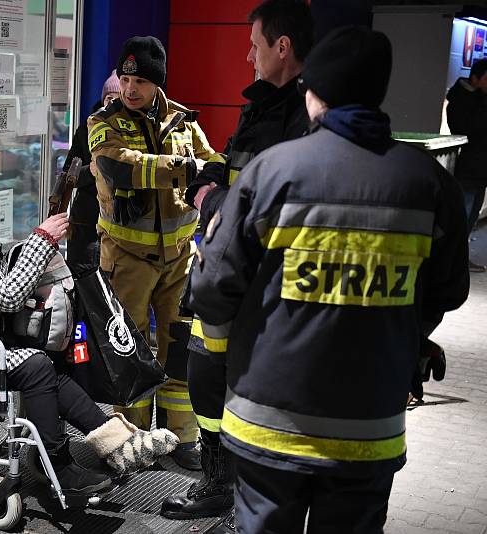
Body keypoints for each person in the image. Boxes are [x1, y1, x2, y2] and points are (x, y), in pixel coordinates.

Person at [188, 27, 469, 534]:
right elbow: (448, 292)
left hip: (271, 424)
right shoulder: (430, 184)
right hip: (371, 428)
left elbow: (212, 289)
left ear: (315, 92)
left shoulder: (274, 172)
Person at [0, 146, 178, 496]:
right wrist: (42, 241)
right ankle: (57, 464)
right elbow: (4, 295)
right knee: (37, 366)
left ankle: (118, 444)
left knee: (50, 358)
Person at [162, 0, 313, 525]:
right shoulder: (262, 107)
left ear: (282, 47)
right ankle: (217, 482)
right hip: (224, 272)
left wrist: (214, 202)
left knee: (252, 395)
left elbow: (273, 203)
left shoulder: (304, 118)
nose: (248, 57)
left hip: (263, 282)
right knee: (206, 374)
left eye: (254, 46)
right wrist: (210, 180)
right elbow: (238, 172)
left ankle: (246, 502)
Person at [87, 36, 225, 471]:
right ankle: (131, 440)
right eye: (125, 79)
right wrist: (185, 170)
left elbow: (212, 161)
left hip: (180, 259)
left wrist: (217, 169)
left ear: (157, 83)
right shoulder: (103, 121)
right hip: (127, 259)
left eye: (139, 81)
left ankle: (183, 437)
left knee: (179, 349)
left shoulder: (183, 122)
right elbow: (118, 162)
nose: (129, 89)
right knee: (130, 352)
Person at [63, 70, 121, 274]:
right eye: (109, 98)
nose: (111, 104)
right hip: (86, 225)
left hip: (120, 228)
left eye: (118, 99)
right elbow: (67, 176)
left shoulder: (135, 135)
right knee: (83, 284)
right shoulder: (85, 130)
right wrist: (93, 170)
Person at [446, 57, 487, 272]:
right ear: (475, 78)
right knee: (462, 216)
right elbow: (465, 129)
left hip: (481, 169)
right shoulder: (461, 100)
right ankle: (451, 260)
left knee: (471, 216)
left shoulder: (479, 99)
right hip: (470, 167)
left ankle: (459, 259)